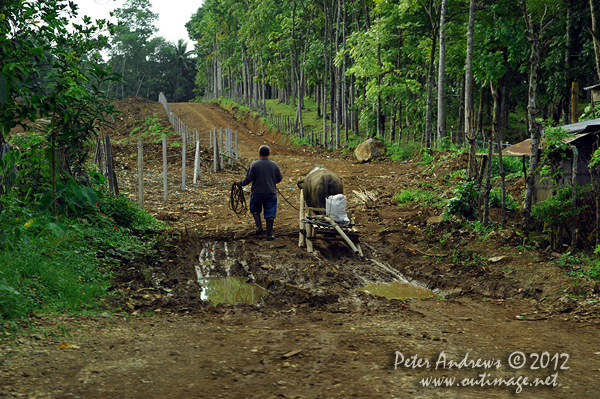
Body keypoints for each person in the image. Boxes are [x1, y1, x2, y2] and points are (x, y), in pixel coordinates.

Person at [237, 145, 282, 240]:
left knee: (255, 209)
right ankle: (269, 235)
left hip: (256, 193)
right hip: (270, 193)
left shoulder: (254, 164)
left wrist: (239, 183)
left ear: (259, 153)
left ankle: (259, 227)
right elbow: (279, 178)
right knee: (270, 213)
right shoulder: (274, 165)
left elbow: (248, 179)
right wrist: (272, 181)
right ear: (269, 154)